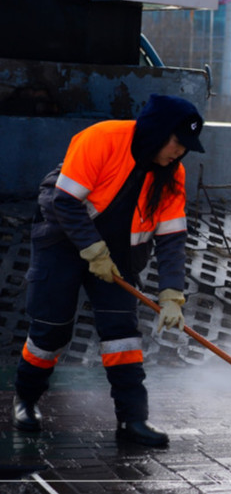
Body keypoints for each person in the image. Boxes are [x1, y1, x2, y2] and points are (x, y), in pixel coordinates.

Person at [12, 94, 205, 447]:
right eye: (177, 141)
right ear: (157, 131)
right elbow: (65, 201)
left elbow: (172, 238)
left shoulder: (172, 174)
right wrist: (93, 250)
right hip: (62, 239)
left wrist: (171, 293)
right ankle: (25, 399)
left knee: (122, 332)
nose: (180, 152)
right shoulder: (102, 139)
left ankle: (133, 419)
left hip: (118, 255)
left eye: (186, 146)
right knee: (51, 328)